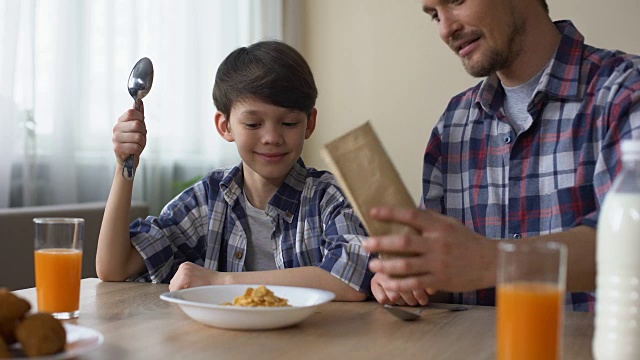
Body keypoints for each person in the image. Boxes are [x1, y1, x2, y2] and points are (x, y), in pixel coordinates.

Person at [363, 0, 640, 311]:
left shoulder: (626, 91)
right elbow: (441, 282)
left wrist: (492, 260)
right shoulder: (454, 122)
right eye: (434, 15)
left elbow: (634, 245)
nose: (445, 28)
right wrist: (412, 279)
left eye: (456, 1)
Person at [96, 40, 373, 301]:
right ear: (225, 126)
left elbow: (351, 278)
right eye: (253, 125)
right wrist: (124, 166)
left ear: (309, 123)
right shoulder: (209, 199)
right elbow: (114, 268)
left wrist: (223, 282)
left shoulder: (329, 196)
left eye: (289, 123)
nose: (272, 137)